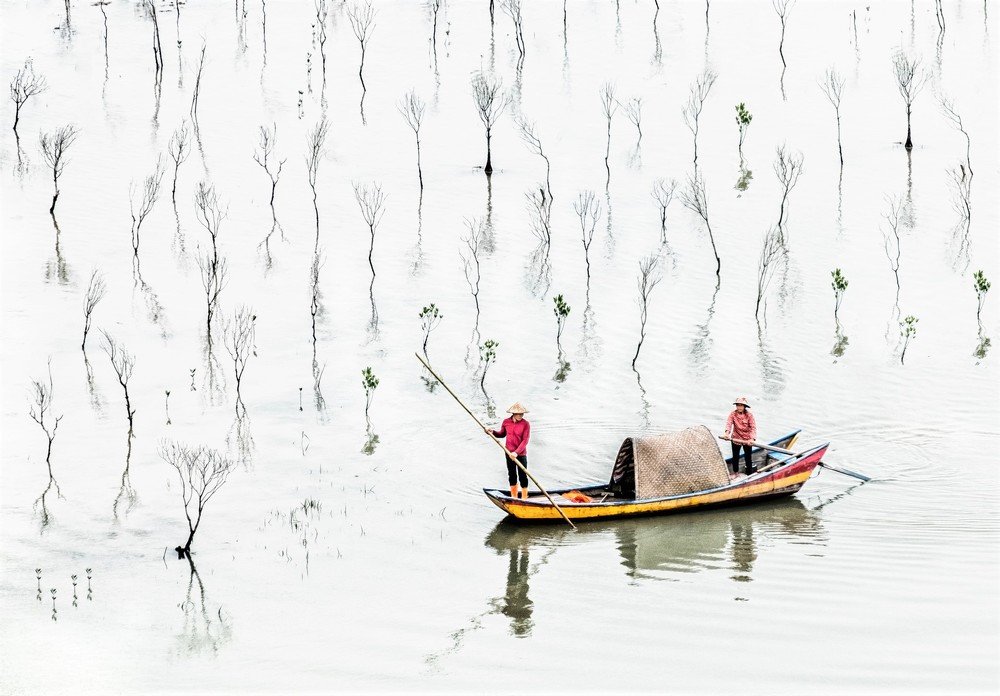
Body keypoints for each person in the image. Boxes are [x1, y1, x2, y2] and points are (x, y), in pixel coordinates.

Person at [486, 402, 531, 499]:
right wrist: (492, 432)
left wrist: (516, 452)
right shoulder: (506, 422)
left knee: (523, 476)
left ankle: (524, 498)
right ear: (513, 413)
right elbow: (501, 434)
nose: (521, 415)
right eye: (519, 414)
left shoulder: (525, 424)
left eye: (522, 414)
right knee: (512, 475)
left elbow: (525, 440)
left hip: (520, 454)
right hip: (508, 453)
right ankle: (514, 497)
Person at [722, 396, 757, 476]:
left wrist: (752, 438)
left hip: (747, 439)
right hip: (736, 438)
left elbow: (753, 427)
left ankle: (749, 474)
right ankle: (736, 473)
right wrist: (727, 433)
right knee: (735, 457)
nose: (739, 407)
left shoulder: (749, 415)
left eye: (741, 405)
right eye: (738, 405)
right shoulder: (733, 414)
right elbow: (729, 423)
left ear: (744, 406)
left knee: (748, 457)